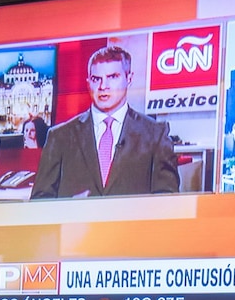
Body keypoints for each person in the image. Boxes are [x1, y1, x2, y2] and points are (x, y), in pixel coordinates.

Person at [29, 47, 181, 198]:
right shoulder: (60, 136)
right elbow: (40, 199)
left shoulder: (155, 134)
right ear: (88, 82)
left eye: (112, 77)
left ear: (129, 79)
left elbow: (167, 199)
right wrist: (71, 207)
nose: (103, 86)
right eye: (96, 79)